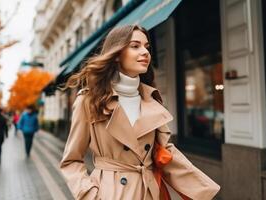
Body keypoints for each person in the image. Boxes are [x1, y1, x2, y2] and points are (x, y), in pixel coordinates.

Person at [60, 25, 220, 200]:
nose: (145, 52)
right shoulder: (90, 100)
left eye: (147, 47)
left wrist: (204, 191)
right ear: (116, 54)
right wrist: (90, 195)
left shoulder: (151, 99)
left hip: (149, 192)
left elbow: (166, 155)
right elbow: (71, 160)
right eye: (135, 46)